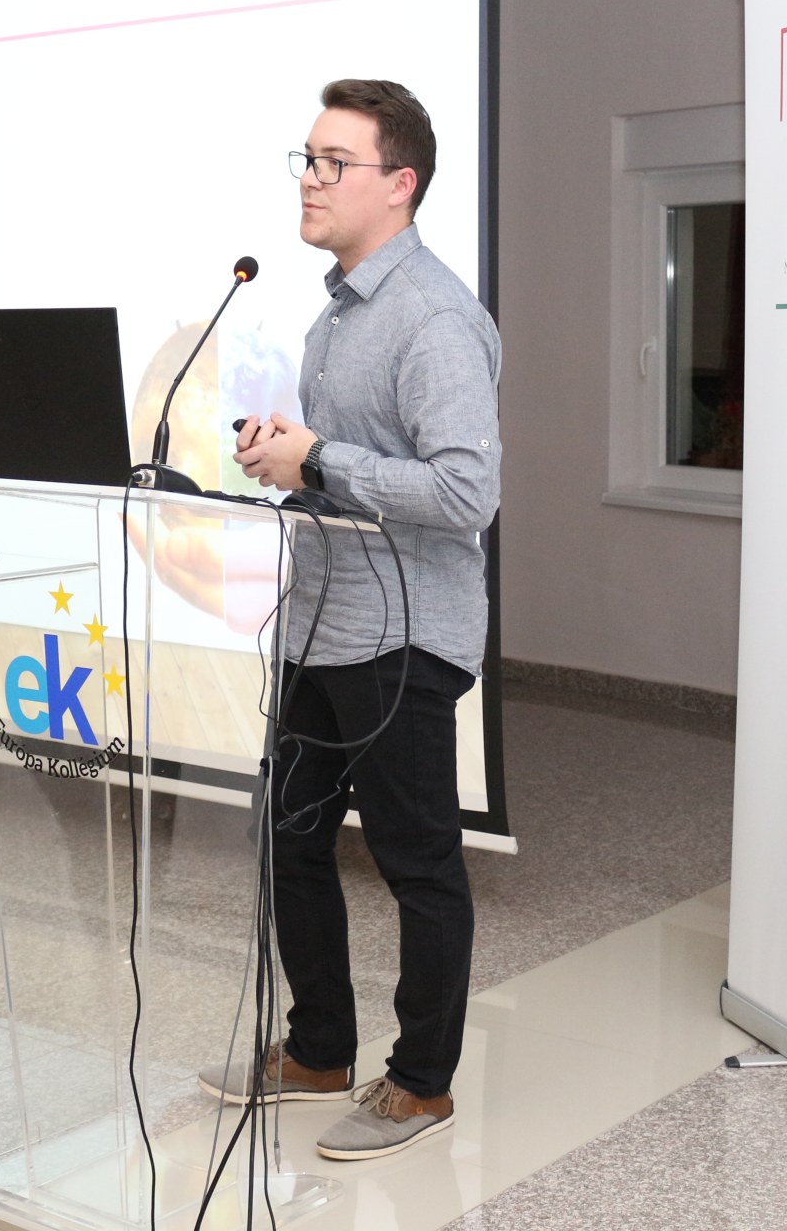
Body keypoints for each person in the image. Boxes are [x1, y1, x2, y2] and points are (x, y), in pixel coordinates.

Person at [198, 78, 501, 1162]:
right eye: (308, 160)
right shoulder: (337, 311)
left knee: (418, 864)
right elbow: (352, 465)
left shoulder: (435, 319)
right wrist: (285, 453)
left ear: (400, 183)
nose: (311, 181)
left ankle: (421, 1084)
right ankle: (319, 1049)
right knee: (290, 838)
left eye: (334, 163)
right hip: (322, 623)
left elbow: (467, 493)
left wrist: (319, 457)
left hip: (403, 636)